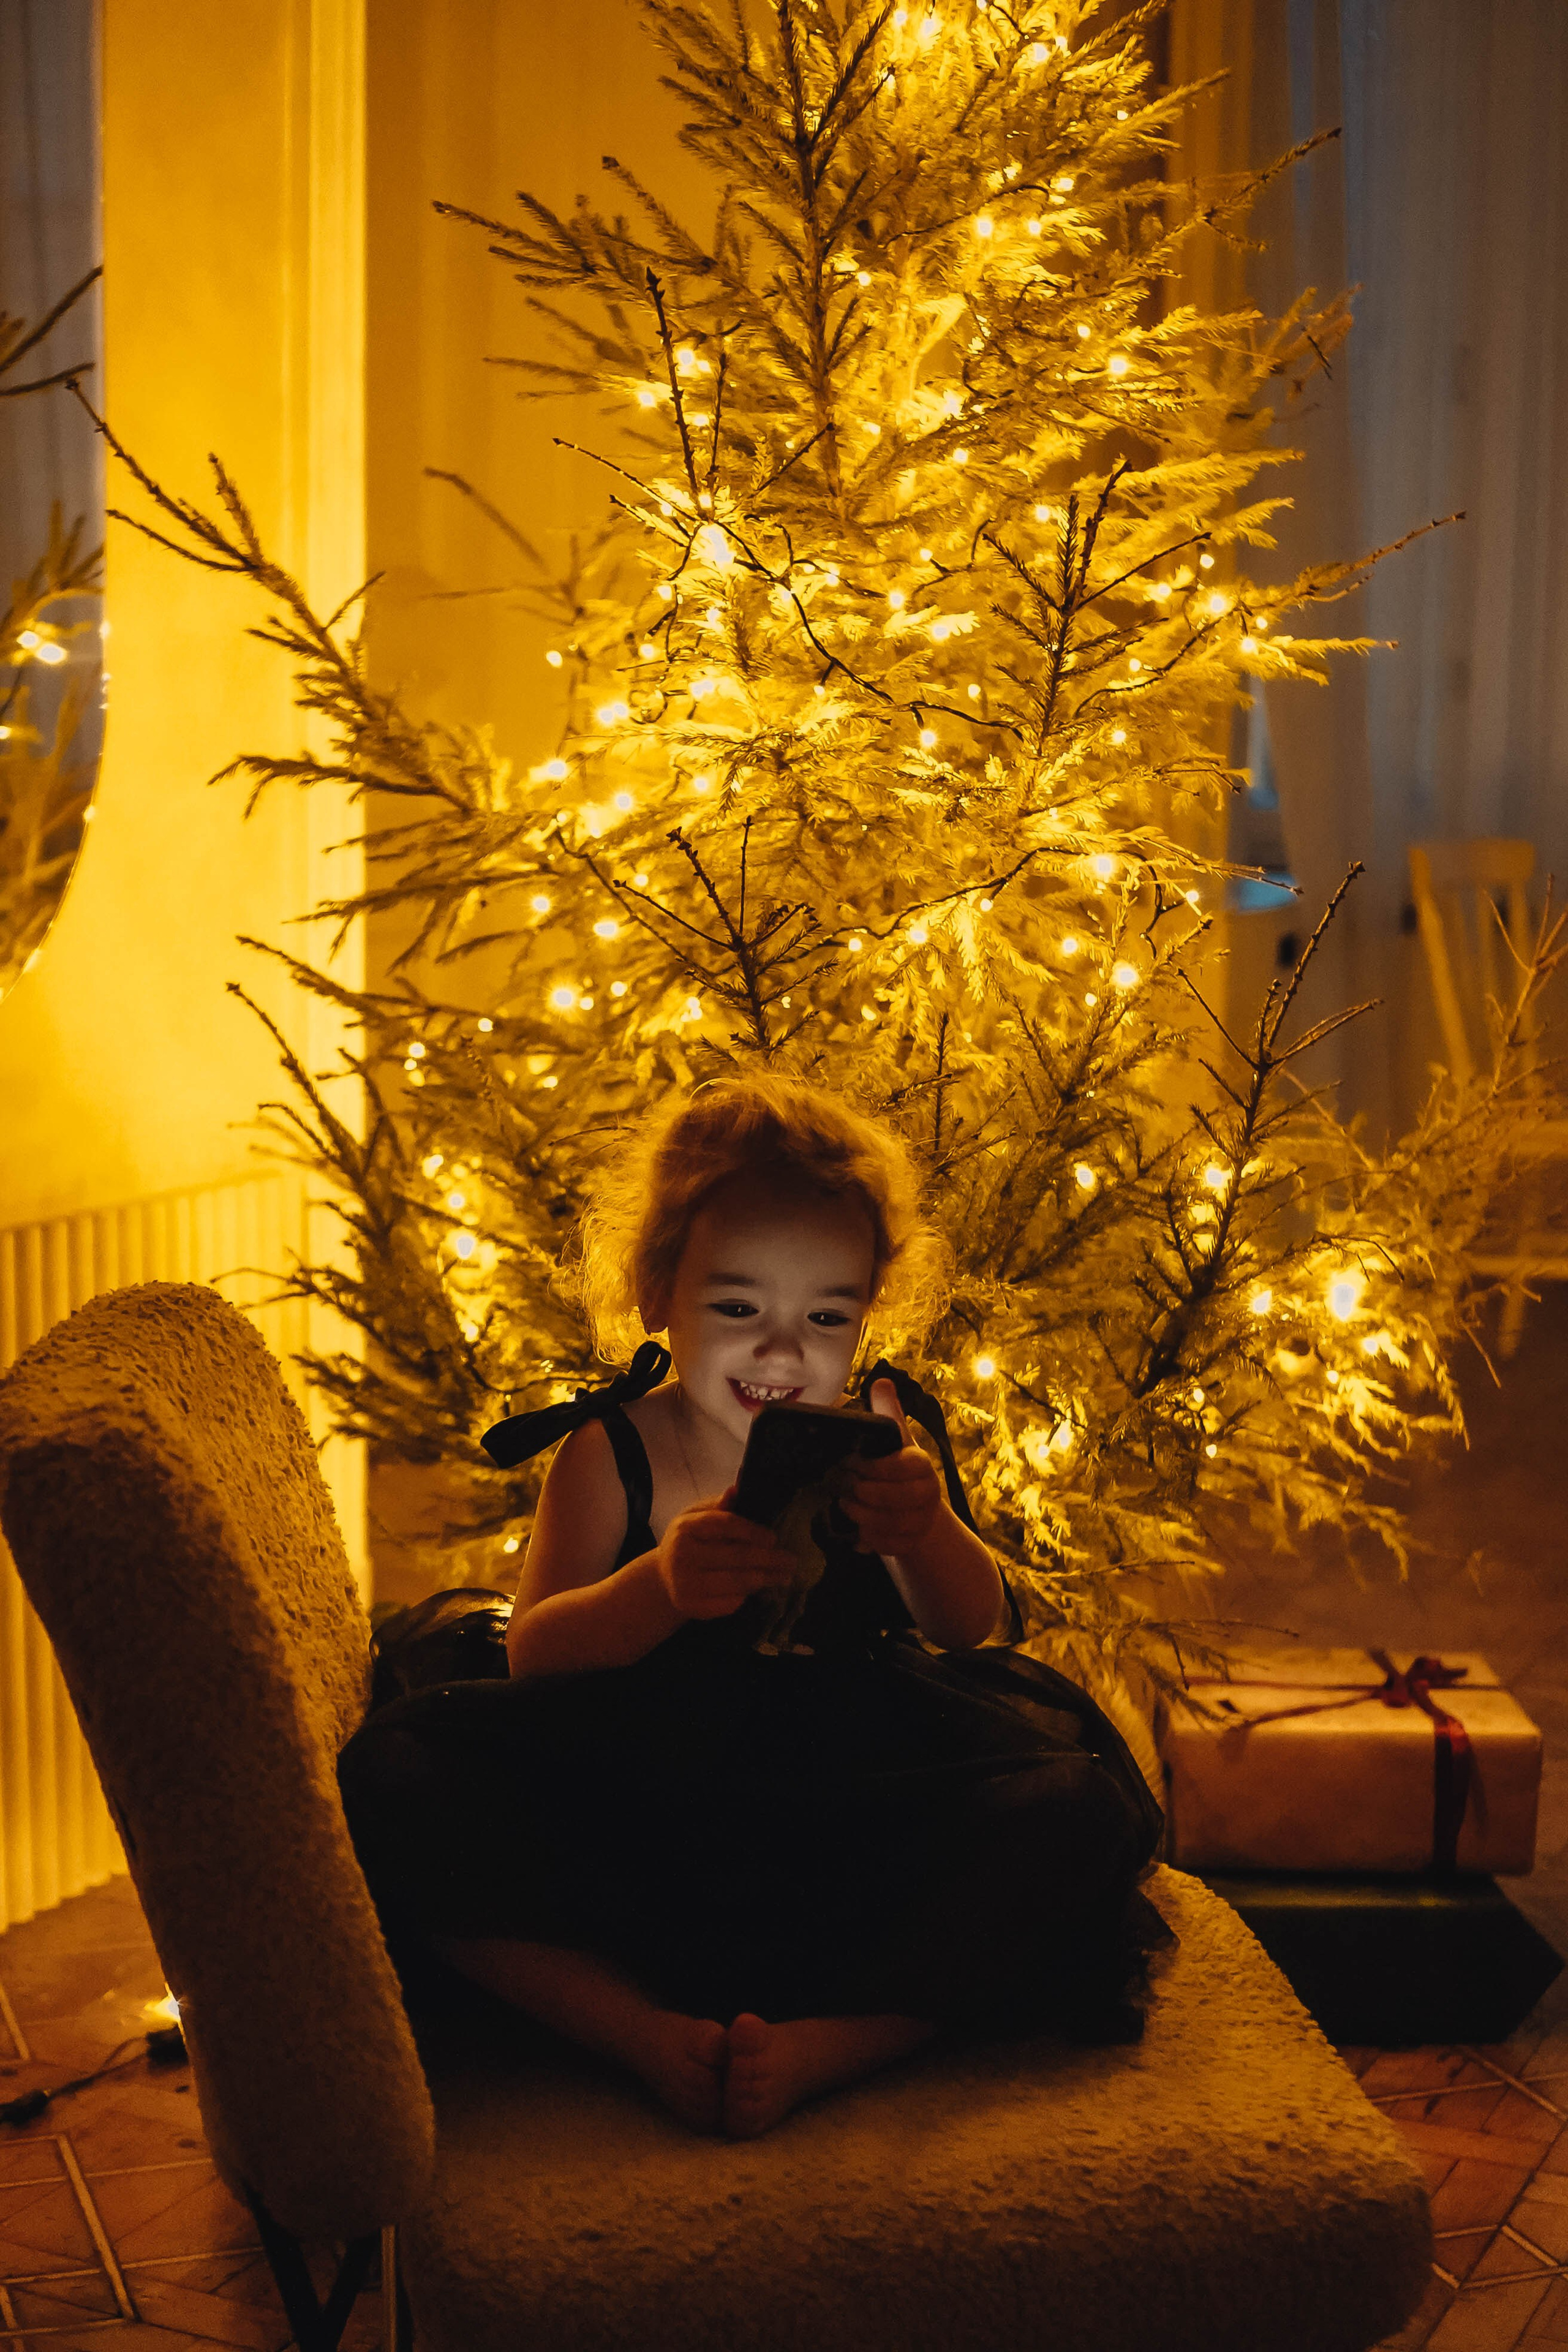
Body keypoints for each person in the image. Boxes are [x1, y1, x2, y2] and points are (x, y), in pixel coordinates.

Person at [339, 1075, 1166, 2140]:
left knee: (1080, 1813)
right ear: (657, 1294)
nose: (783, 1353)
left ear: (871, 1310)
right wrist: (657, 1589)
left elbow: (973, 1628)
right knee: (387, 1784)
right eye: (739, 1309)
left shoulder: (883, 1430)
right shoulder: (615, 1450)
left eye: (828, 1316)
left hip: (850, 1798)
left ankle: (843, 2045)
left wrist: (928, 1533)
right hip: (633, 1807)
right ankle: (634, 2032)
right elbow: (534, 1653)